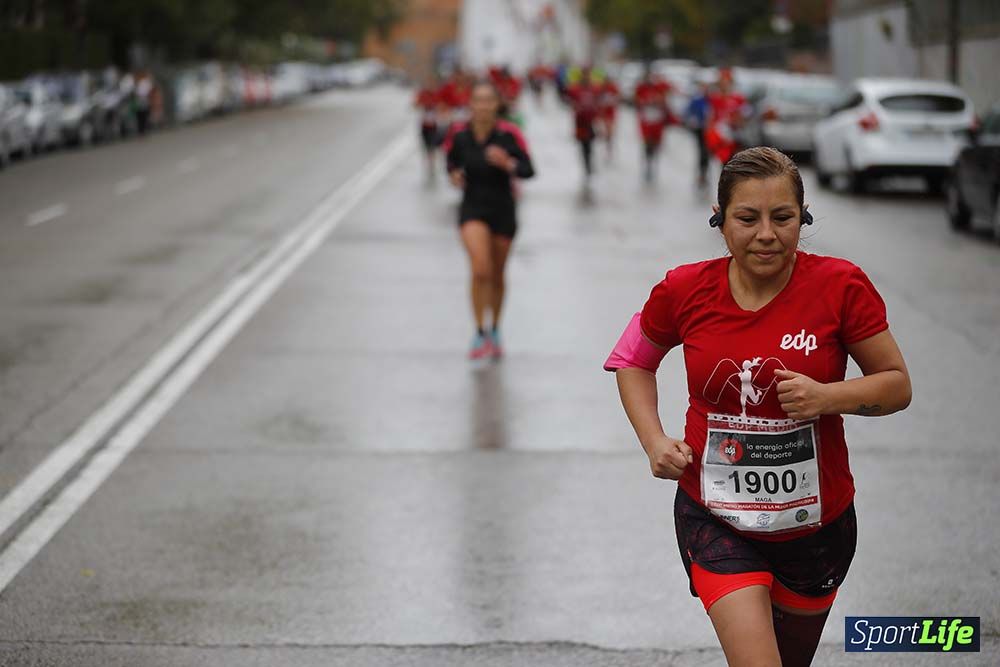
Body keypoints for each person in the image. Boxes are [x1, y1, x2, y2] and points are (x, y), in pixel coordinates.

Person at [604, 147, 912, 667]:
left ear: (803, 219)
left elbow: (896, 385)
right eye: (747, 218)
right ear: (721, 221)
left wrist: (825, 396)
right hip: (715, 516)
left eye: (783, 218)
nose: (766, 234)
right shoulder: (683, 288)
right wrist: (654, 441)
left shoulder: (841, 285)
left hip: (817, 527)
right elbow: (632, 360)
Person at [444, 81, 536, 361]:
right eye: (478, 100)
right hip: (472, 208)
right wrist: (454, 175)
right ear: (470, 104)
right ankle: (478, 331)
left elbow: (529, 169)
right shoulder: (460, 134)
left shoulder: (509, 135)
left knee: (496, 274)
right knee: (480, 268)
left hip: (503, 210)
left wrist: (508, 164)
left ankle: (495, 328)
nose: (482, 105)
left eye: (488, 100)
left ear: (497, 105)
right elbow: (451, 162)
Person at [634, 69, 672, 182]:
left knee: (656, 144)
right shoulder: (641, 88)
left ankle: (653, 162)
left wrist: (660, 101)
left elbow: (666, 99)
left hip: (657, 121)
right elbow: (636, 101)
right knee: (647, 143)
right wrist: (643, 102)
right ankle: (648, 164)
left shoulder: (660, 88)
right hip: (646, 120)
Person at [705, 68, 749, 165]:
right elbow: (711, 116)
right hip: (721, 135)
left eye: (727, 82)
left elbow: (745, 115)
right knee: (724, 162)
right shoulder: (715, 99)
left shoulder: (738, 98)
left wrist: (739, 121)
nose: (724, 85)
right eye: (722, 82)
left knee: (736, 162)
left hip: (735, 134)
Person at [566, 66, 602, 184]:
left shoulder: (594, 88)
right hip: (580, 122)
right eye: (584, 74)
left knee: (590, 144)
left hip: (591, 122)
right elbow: (568, 99)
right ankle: (586, 166)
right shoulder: (575, 89)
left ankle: (589, 164)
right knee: (583, 145)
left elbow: (598, 102)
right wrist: (575, 106)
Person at [414, 77, 443, 180]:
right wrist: (423, 104)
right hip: (424, 125)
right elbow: (414, 105)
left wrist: (436, 108)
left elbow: (442, 106)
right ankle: (428, 162)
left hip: (434, 125)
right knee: (426, 145)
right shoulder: (423, 94)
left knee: (433, 145)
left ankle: (432, 164)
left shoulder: (436, 94)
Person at [685, 80, 711, 187]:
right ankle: (703, 174)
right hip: (701, 129)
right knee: (703, 152)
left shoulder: (712, 99)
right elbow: (689, 112)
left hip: (712, 131)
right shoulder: (697, 100)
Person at [598, 73, 621, 162]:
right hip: (602, 114)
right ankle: (605, 148)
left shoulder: (613, 88)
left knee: (609, 134)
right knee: (603, 133)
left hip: (610, 114)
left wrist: (612, 100)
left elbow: (617, 98)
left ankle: (609, 149)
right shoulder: (600, 88)